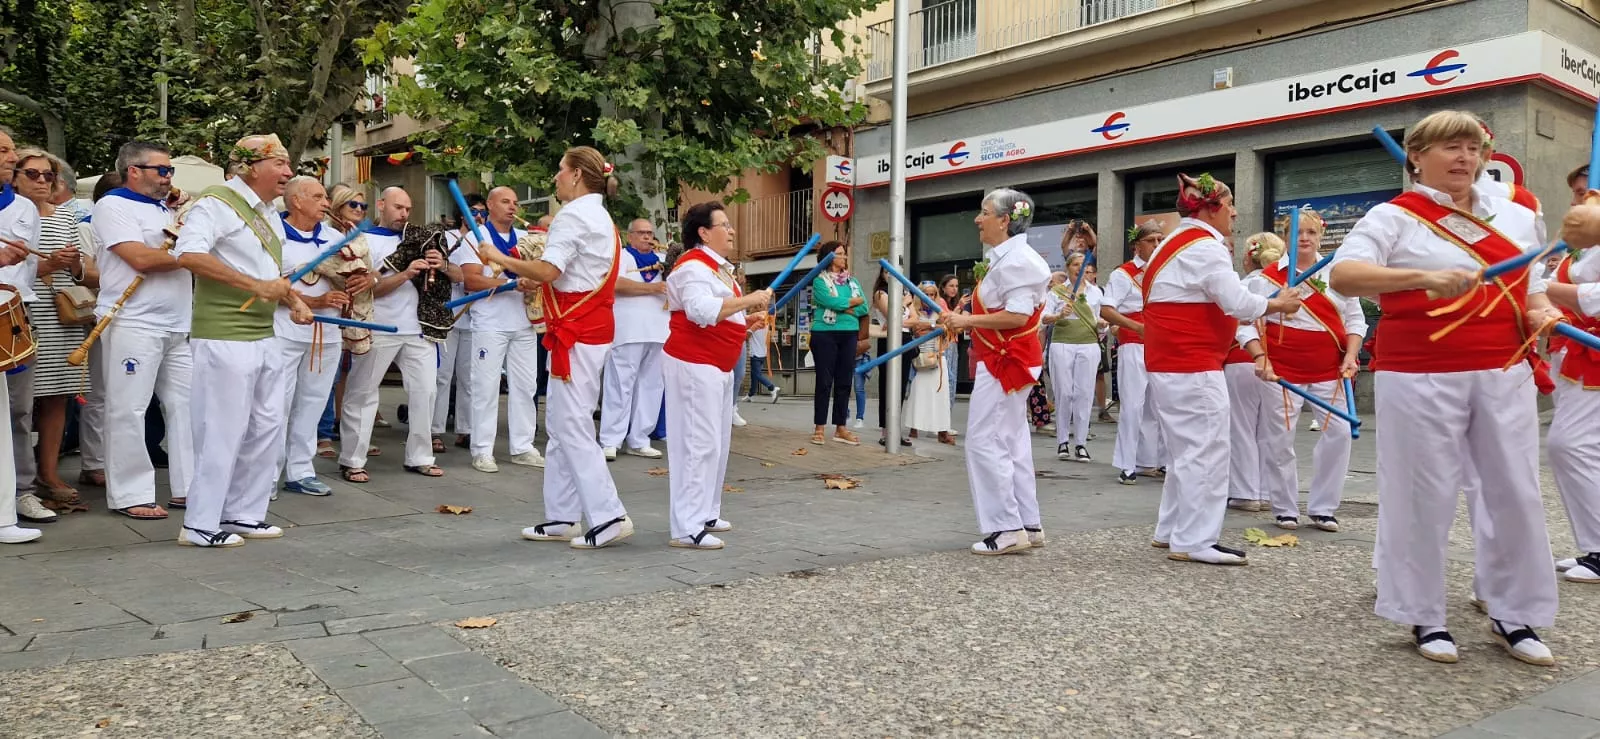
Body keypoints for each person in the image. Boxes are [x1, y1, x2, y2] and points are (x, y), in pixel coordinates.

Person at [1330, 110, 1560, 665]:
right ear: (1416, 155)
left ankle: (1513, 611)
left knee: (1514, 489)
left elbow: (1530, 291)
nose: (1464, 158)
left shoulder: (1516, 218)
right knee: (1422, 492)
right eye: (1451, 147)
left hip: (1503, 368)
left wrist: (1543, 311)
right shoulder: (1394, 217)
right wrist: (1421, 277)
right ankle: (1424, 614)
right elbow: (1344, 275)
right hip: (1420, 371)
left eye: (1473, 147)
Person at [1144, 172, 1300, 566]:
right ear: (1212, 207)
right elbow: (1236, 302)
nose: (1234, 212)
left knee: (1186, 452)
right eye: (1229, 204)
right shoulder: (1204, 247)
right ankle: (1195, 539)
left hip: (1173, 363)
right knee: (1208, 451)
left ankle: (1172, 529)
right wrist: (1278, 304)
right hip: (1193, 364)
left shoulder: (1173, 244)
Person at [482, 146, 633, 549]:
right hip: (589, 328)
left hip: (577, 331)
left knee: (571, 425)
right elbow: (566, 275)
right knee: (564, 425)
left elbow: (551, 269)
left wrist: (499, 257)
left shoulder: (574, 216)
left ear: (578, 175)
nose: (556, 178)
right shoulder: (599, 216)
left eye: (560, 171)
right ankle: (563, 515)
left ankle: (608, 515)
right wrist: (538, 278)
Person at [173, 134, 315, 547]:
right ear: (252, 167)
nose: (289, 173)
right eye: (281, 164)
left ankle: (243, 514)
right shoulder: (215, 203)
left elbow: (274, 273)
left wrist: (293, 300)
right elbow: (189, 255)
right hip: (222, 334)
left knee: (267, 425)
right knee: (222, 428)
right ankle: (200, 522)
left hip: (264, 332)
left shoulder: (270, 213)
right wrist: (256, 285)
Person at [936, 188, 1051, 555]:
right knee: (1012, 440)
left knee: (986, 440)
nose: (977, 219)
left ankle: (1006, 528)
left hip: (1006, 360)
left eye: (984, 212)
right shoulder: (1008, 258)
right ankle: (1028, 524)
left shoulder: (1019, 261)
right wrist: (958, 320)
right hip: (1004, 357)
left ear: (1004, 220)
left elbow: (1017, 315)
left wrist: (965, 318)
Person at [90, 141, 193, 520]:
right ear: (133, 170)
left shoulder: (168, 207)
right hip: (133, 320)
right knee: (129, 407)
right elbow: (139, 257)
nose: (168, 178)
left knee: (186, 406)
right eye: (161, 170)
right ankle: (130, 492)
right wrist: (192, 255)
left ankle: (189, 487)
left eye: (170, 171)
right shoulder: (112, 205)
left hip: (177, 321)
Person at [1245, 210, 1365, 533]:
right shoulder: (1265, 278)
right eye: (1298, 232)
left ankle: (1324, 507)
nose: (1305, 238)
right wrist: (1260, 358)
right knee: (1279, 439)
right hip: (1282, 370)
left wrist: (1351, 356)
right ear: (1286, 237)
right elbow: (1246, 324)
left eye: (1311, 232)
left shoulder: (1336, 275)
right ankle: (1284, 507)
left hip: (1331, 368)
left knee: (1339, 433)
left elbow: (1355, 320)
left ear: (1320, 236)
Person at [662, 202, 772, 549]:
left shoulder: (716, 269)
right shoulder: (693, 267)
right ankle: (687, 526)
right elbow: (700, 310)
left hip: (718, 363)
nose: (732, 230)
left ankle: (707, 511)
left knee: (717, 443)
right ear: (704, 232)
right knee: (698, 443)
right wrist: (750, 299)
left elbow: (720, 313)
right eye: (724, 225)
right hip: (695, 362)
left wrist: (746, 320)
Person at [339, 186, 447, 482]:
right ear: (382, 205)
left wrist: (442, 266)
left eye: (408, 209)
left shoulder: (418, 239)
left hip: (418, 329)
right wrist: (407, 273)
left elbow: (452, 279)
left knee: (426, 392)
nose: (404, 214)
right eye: (398, 208)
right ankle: (352, 459)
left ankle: (421, 456)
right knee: (362, 393)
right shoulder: (364, 240)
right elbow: (370, 289)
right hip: (378, 326)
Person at [11, 150, 89, 513]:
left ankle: (48, 473)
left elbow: (82, 271)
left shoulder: (65, 217)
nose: (43, 181)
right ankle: (18, 478)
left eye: (49, 175)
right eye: (33, 174)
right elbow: (19, 267)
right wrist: (47, 265)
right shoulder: (11, 215)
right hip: (25, 309)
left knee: (57, 394)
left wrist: (72, 266)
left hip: (61, 312)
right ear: (15, 177)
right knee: (22, 403)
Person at [1535, 163, 1600, 585]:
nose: (1578, 201)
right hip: (1571, 355)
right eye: (1577, 193)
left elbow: (1594, 299)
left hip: (1592, 357)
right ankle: (1593, 548)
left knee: (1568, 445)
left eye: (1586, 193)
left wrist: (1533, 288)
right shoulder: (1580, 246)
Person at [273, 176, 348, 497]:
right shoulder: (272, 233)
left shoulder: (334, 237)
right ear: (296, 201)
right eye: (318, 197)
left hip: (327, 334)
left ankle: (301, 470)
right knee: (276, 405)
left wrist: (358, 281)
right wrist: (317, 302)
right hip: (285, 332)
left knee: (314, 402)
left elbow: (351, 282)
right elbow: (266, 285)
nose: (326, 203)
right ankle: (266, 473)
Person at [459, 187, 543, 472]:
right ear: (490, 205)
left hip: (524, 320)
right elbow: (470, 280)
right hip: (490, 323)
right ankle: (482, 449)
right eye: (505, 201)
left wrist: (530, 282)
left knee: (526, 386)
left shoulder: (526, 239)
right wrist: (509, 285)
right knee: (485, 386)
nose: (512, 207)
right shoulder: (475, 237)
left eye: (515, 202)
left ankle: (522, 446)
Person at [1101, 221, 1166, 485]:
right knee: (1132, 406)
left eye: (1161, 240)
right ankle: (1127, 464)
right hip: (1134, 346)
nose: (1158, 245)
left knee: (1160, 406)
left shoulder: (1165, 271)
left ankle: (1154, 460)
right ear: (1136, 245)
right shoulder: (1123, 274)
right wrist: (1134, 326)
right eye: (1152, 240)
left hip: (1162, 346)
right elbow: (1106, 309)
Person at [599, 218, 669, 460]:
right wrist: (653, 289)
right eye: (642, 233)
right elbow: (615, 284)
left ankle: (640, 439)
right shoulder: (622, 257)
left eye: (650, 233)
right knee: (620, 385)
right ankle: (611, 439)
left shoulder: (662, 261)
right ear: (630, 236)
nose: (648, 238)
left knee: (652, 386)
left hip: (659, 331)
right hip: (628, 330)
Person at [1225, 232, 1284, 513]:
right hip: (1278, 361)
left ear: (1248, 258)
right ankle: (1266, 490)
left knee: (1242, 427)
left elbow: (1233, 322)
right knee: (1270, 430)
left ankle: (1245, 491)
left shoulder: (1243, 285)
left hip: (1242, 356)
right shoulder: (1288, 284)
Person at [317, 184, 370, 458]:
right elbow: (325, 267)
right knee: (328, 376)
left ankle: (350, 433)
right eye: (354, 205)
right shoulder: (324, 234)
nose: (360, 210)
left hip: (356, 314)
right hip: (324, 315)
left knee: (350, 376)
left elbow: (372, 272)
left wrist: (369, 277)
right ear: (337, 207)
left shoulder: (362, 238)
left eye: (364, 206)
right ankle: (323, 434)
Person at [433, 193, 486, 454]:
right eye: (474, 211)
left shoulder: (485, 242)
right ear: (462, 214)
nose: (478, 216)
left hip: (475, 317)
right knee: (442, 376)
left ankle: (466, 429)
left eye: (482, 212)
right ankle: (435, 430)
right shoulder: (448, 238)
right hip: (449, 313)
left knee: (469, 378)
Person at [1044, 253, 1104, 463]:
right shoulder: (1056, 292)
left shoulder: (1096, 292)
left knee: (1084, 394)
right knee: (1064, 393)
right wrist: (1059, 315)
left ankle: (1081, 443)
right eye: (1076, 264)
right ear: (1068, 267)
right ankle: (1062, 441)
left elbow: (1097, 319)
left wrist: (1102, 324)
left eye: (1083, 265)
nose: (1080, 268)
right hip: (1062, 344)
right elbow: (1044, 318)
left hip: (1088, 344)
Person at [809, 241, 866, 446]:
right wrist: (852, 303)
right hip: (824, 333)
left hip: (849, 333)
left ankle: (841, 427)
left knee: (844, 381)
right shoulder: (819, 281)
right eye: (840, 254)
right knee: (824, 381)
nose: (844, 258)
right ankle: (819, 427)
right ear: (829, 257)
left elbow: (864, 306)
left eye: (844, 254)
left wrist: (848, 306)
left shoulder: (853, 281)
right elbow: (831, 302)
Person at [903, 281, 953, 444]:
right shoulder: (915, 311)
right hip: (921, 356)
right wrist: (934, 326)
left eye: (933, 294)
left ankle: (942, 431)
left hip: (939, 355)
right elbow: (916, 328)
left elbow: (947, 328)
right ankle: (914, 428)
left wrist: (932, 326)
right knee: (918, 392)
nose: (930, 297)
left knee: (942, 394)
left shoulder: (940, 312)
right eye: (926, 294)